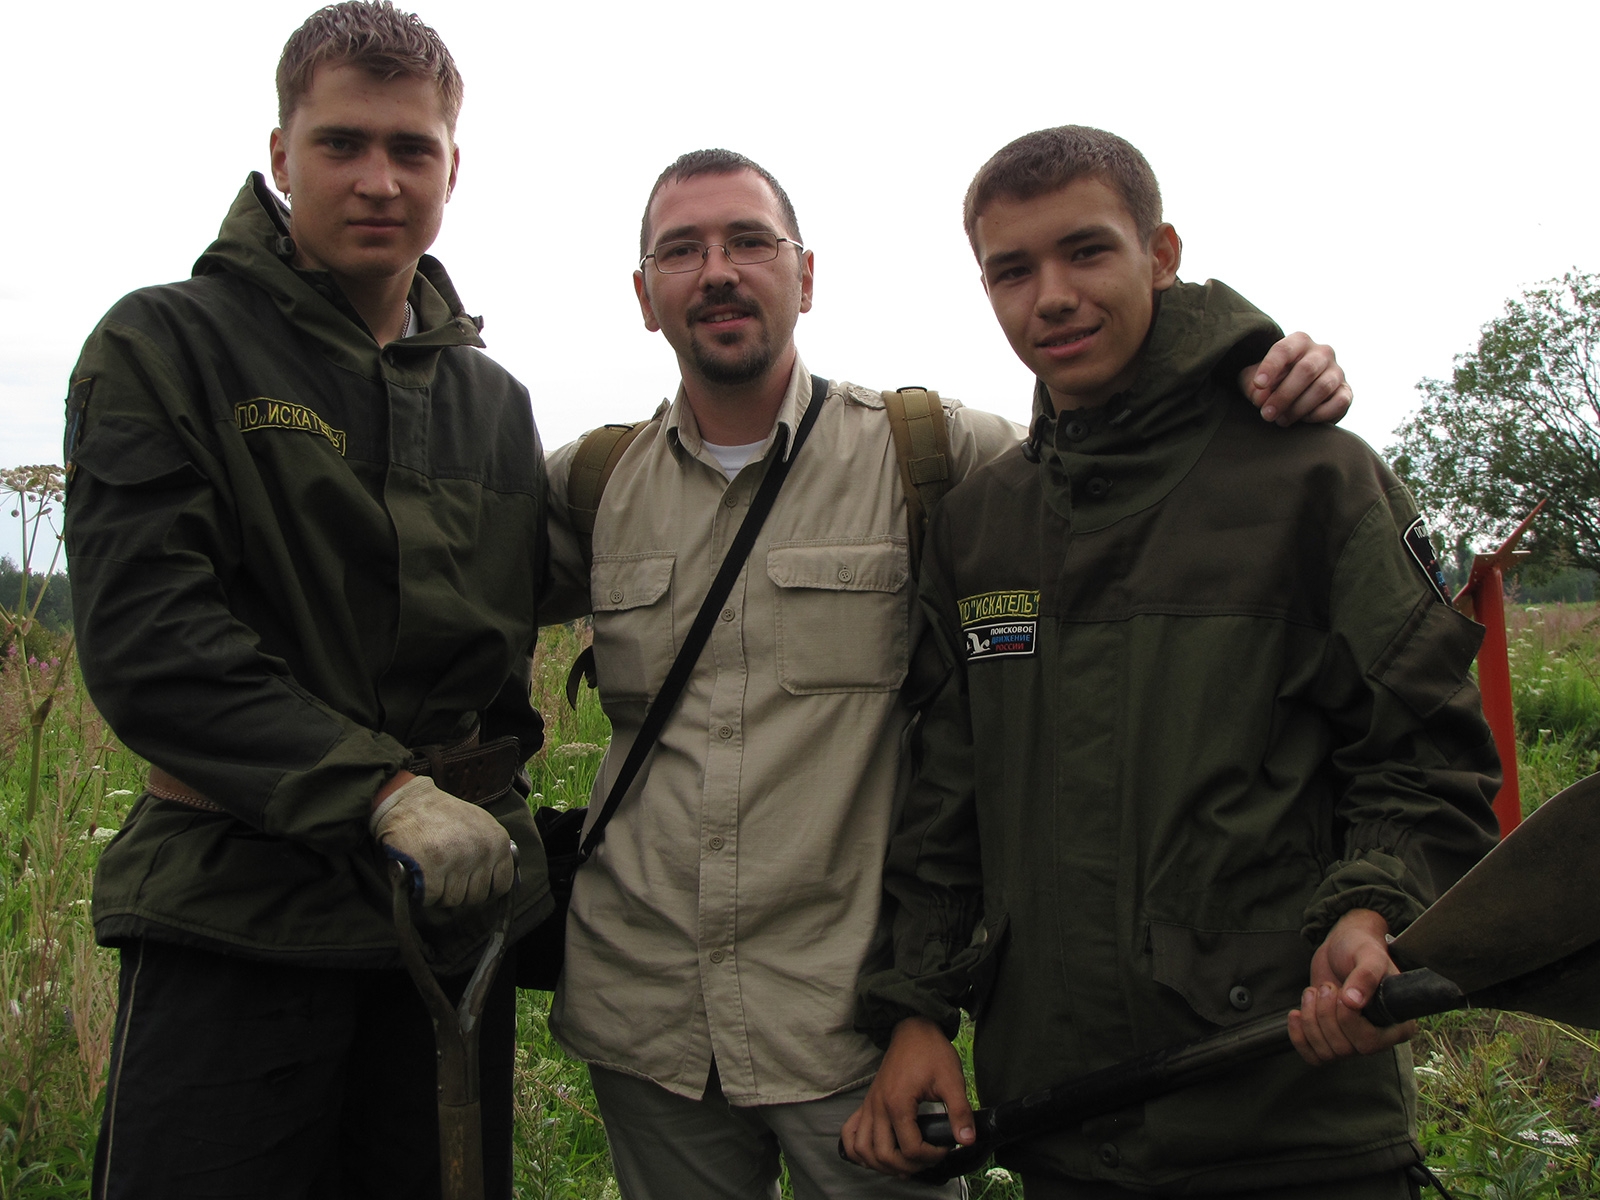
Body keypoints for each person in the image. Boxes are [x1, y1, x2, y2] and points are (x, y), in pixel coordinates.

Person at [539, 147, 1356, 1200]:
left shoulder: (929, 455)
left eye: (750, 241)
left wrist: (1244, 379)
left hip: (848, 1025)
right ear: (644, 295)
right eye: (681, 250)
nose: (718, 270)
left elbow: (1118, 462)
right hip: (642, 1018)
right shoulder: (589, 486)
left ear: (807, 275)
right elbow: (434, 614)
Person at [842, 126, 1502, 1199]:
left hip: (1288, 1120)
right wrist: (916, 1011)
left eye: (1086, 251)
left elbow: (1426, 760)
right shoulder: (979, 527)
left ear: (1161, 254)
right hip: (1061, 1126)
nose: (1049, 295)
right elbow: (942, 809)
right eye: (1012, 270)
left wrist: (1371, 912)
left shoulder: (1315, 481)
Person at [63, 4, 550, 1197]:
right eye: (340, 144)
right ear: (281, 158)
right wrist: (379, 795)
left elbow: (499, 668)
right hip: (237, 918)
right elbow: (149, 643)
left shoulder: (493, 403)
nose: (378, 180)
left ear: (452, 166)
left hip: (442, 939)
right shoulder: (165, 346)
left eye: (411, 148)